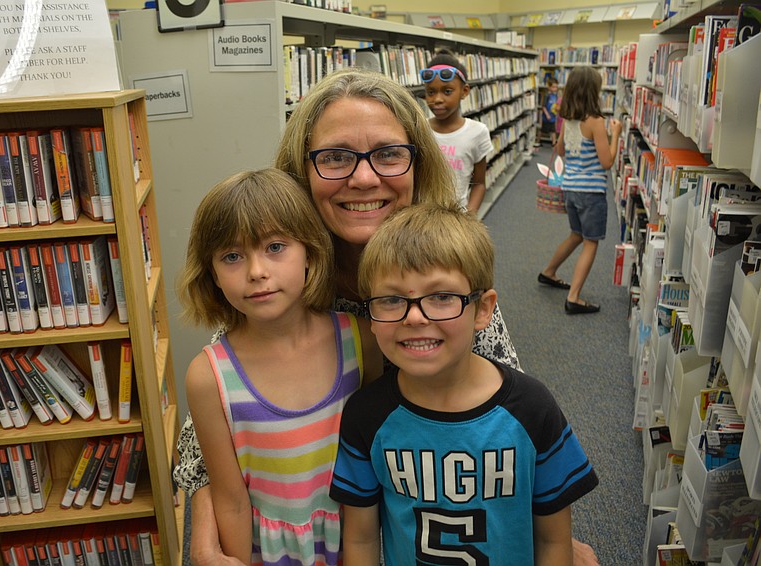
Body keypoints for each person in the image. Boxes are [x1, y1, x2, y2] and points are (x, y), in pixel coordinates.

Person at [174, 68, 598, 566]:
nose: (364, 177)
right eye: (334, 157)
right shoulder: (278, 282)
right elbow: (211, 434)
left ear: (419, 163)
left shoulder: (446, 270)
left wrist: (541, 529)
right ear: (299, 172)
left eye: (389, 154)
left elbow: (505, 413)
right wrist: (204, 539)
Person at [331, 202, 599, 564]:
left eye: (441, 297)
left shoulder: (532, 409)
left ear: (484, 309)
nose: (414, 317)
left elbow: (553, 541)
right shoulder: (366, 416)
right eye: (392, 300)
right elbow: (362, 541)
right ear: (371, 315)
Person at [180, 168, 383, 564]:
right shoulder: (209, 378)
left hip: (357, 544)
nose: (256, 272)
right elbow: (231, 501)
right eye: (232, 256)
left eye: (275, 247)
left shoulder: (362, 341)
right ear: (212, 275)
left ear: (311, 252)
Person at [539, 66, 623, 315]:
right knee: (590, 242)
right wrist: (615, 135)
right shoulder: (596, 122)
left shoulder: (569, 120)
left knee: (576, 234)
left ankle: (549, 272)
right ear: (593, 92)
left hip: (570, 189)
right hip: (591, 192)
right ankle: (574, 297)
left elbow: (562, 151)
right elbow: (607, 162)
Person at [422, 50, 493, 214]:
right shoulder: (419, 129)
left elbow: (479, 183)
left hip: (457, 219)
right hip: (421, 219)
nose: (437, 99)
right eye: (431, 92)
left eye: (447, 91)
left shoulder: (477, 132)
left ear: (464, 91)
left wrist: (468, 220)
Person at [542, 77, 560, 147]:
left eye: (556, 87)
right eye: (553, 87)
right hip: (546, 117)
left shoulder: (556, 95)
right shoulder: (547, 95)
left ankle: (553, 143)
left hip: (553, 116)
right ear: (549, 87)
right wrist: (547, 115)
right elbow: (543, 106)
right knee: (543, 130)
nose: (555, 89)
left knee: (553, 130)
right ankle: (537, 140)